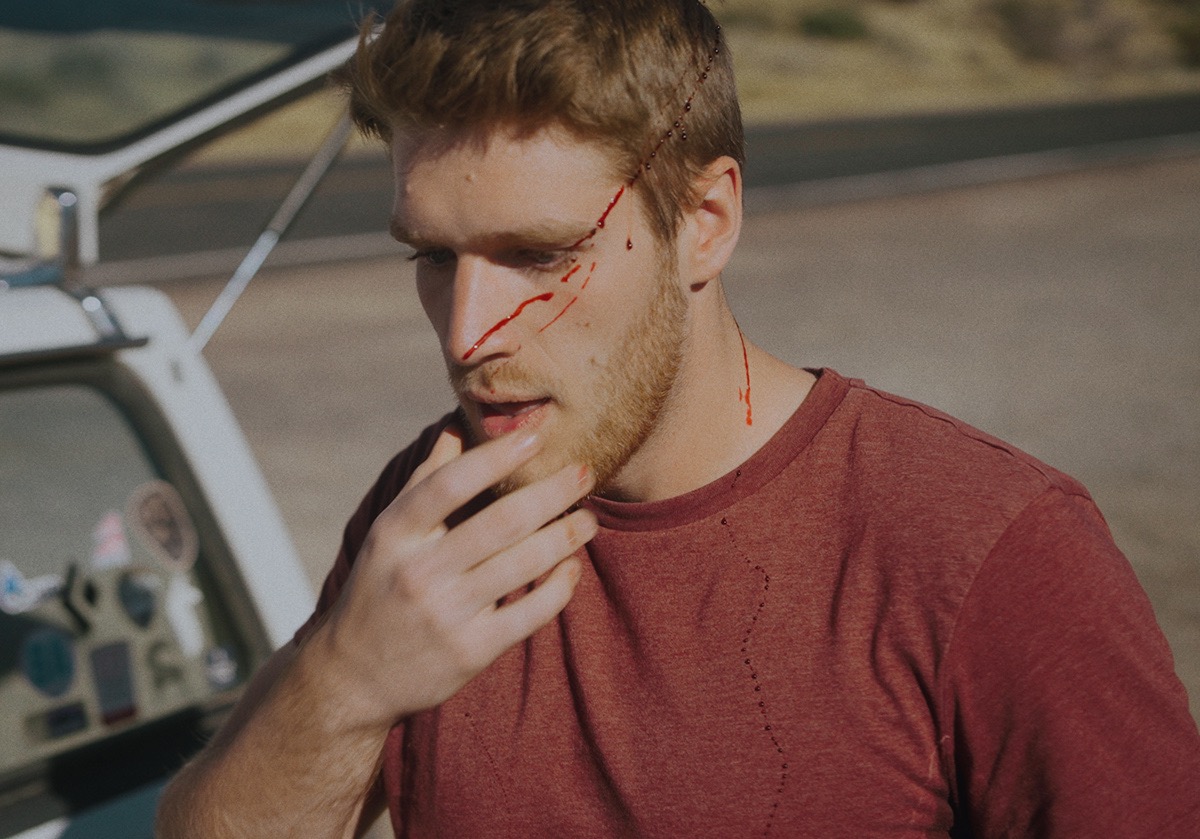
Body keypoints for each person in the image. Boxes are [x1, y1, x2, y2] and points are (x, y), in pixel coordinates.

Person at [157, 0, 1200, 836]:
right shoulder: (436, 509)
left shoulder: (989, 550)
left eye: (539, 254)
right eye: (433, 255)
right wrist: (346, 677)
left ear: (704, 224)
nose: (469, 332)